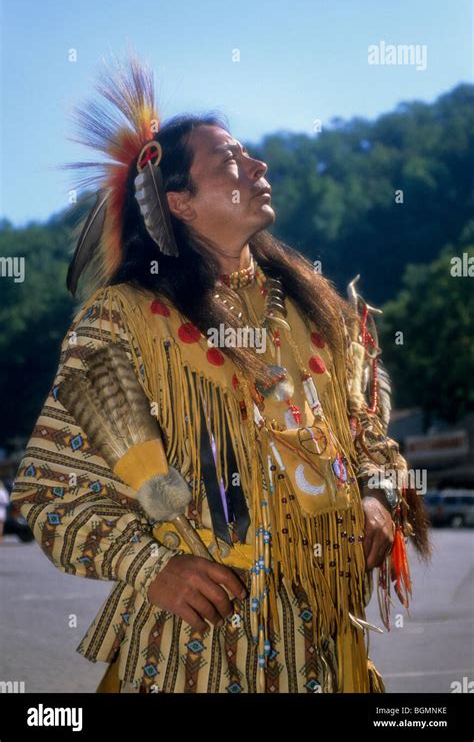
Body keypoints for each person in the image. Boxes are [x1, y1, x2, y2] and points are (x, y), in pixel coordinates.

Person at [11, 54, 430, 694]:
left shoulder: (317, 311)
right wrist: (152, 564)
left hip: (324, 646)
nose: (259, 166)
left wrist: (377, 495)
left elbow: (367, 429)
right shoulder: (123, 319)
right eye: (231, 161)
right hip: (198, 649)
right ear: (178, 201)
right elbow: (48, 489)